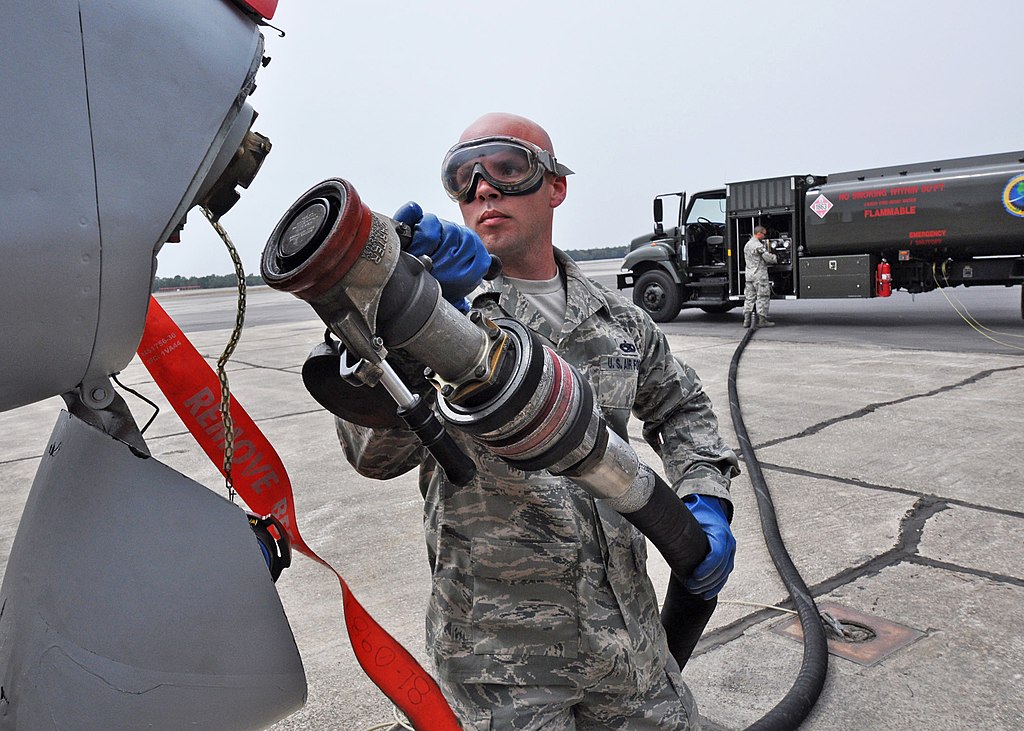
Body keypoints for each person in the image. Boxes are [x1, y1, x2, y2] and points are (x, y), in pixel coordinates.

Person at [336, 113, 739, 730]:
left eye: (507, 167)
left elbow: (682, 405)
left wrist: (704, 497)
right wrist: (412, 321)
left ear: (556, 186)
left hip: (627, 637)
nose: (484, 190)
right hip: (501, 661)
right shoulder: (438, 315)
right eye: (462, 177)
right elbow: (372, 456)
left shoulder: (620, 322)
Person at [742, 226, 777, 328]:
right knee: (763, 296)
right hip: (759, 275)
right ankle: (762, 320)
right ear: (759, 233)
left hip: (749, 275)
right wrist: (775, 258)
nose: (764, 236)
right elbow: (767, 258)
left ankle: (746, 320)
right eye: (764, 234)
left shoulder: (747, 245)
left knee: (749, 297)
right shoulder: (758, 245)